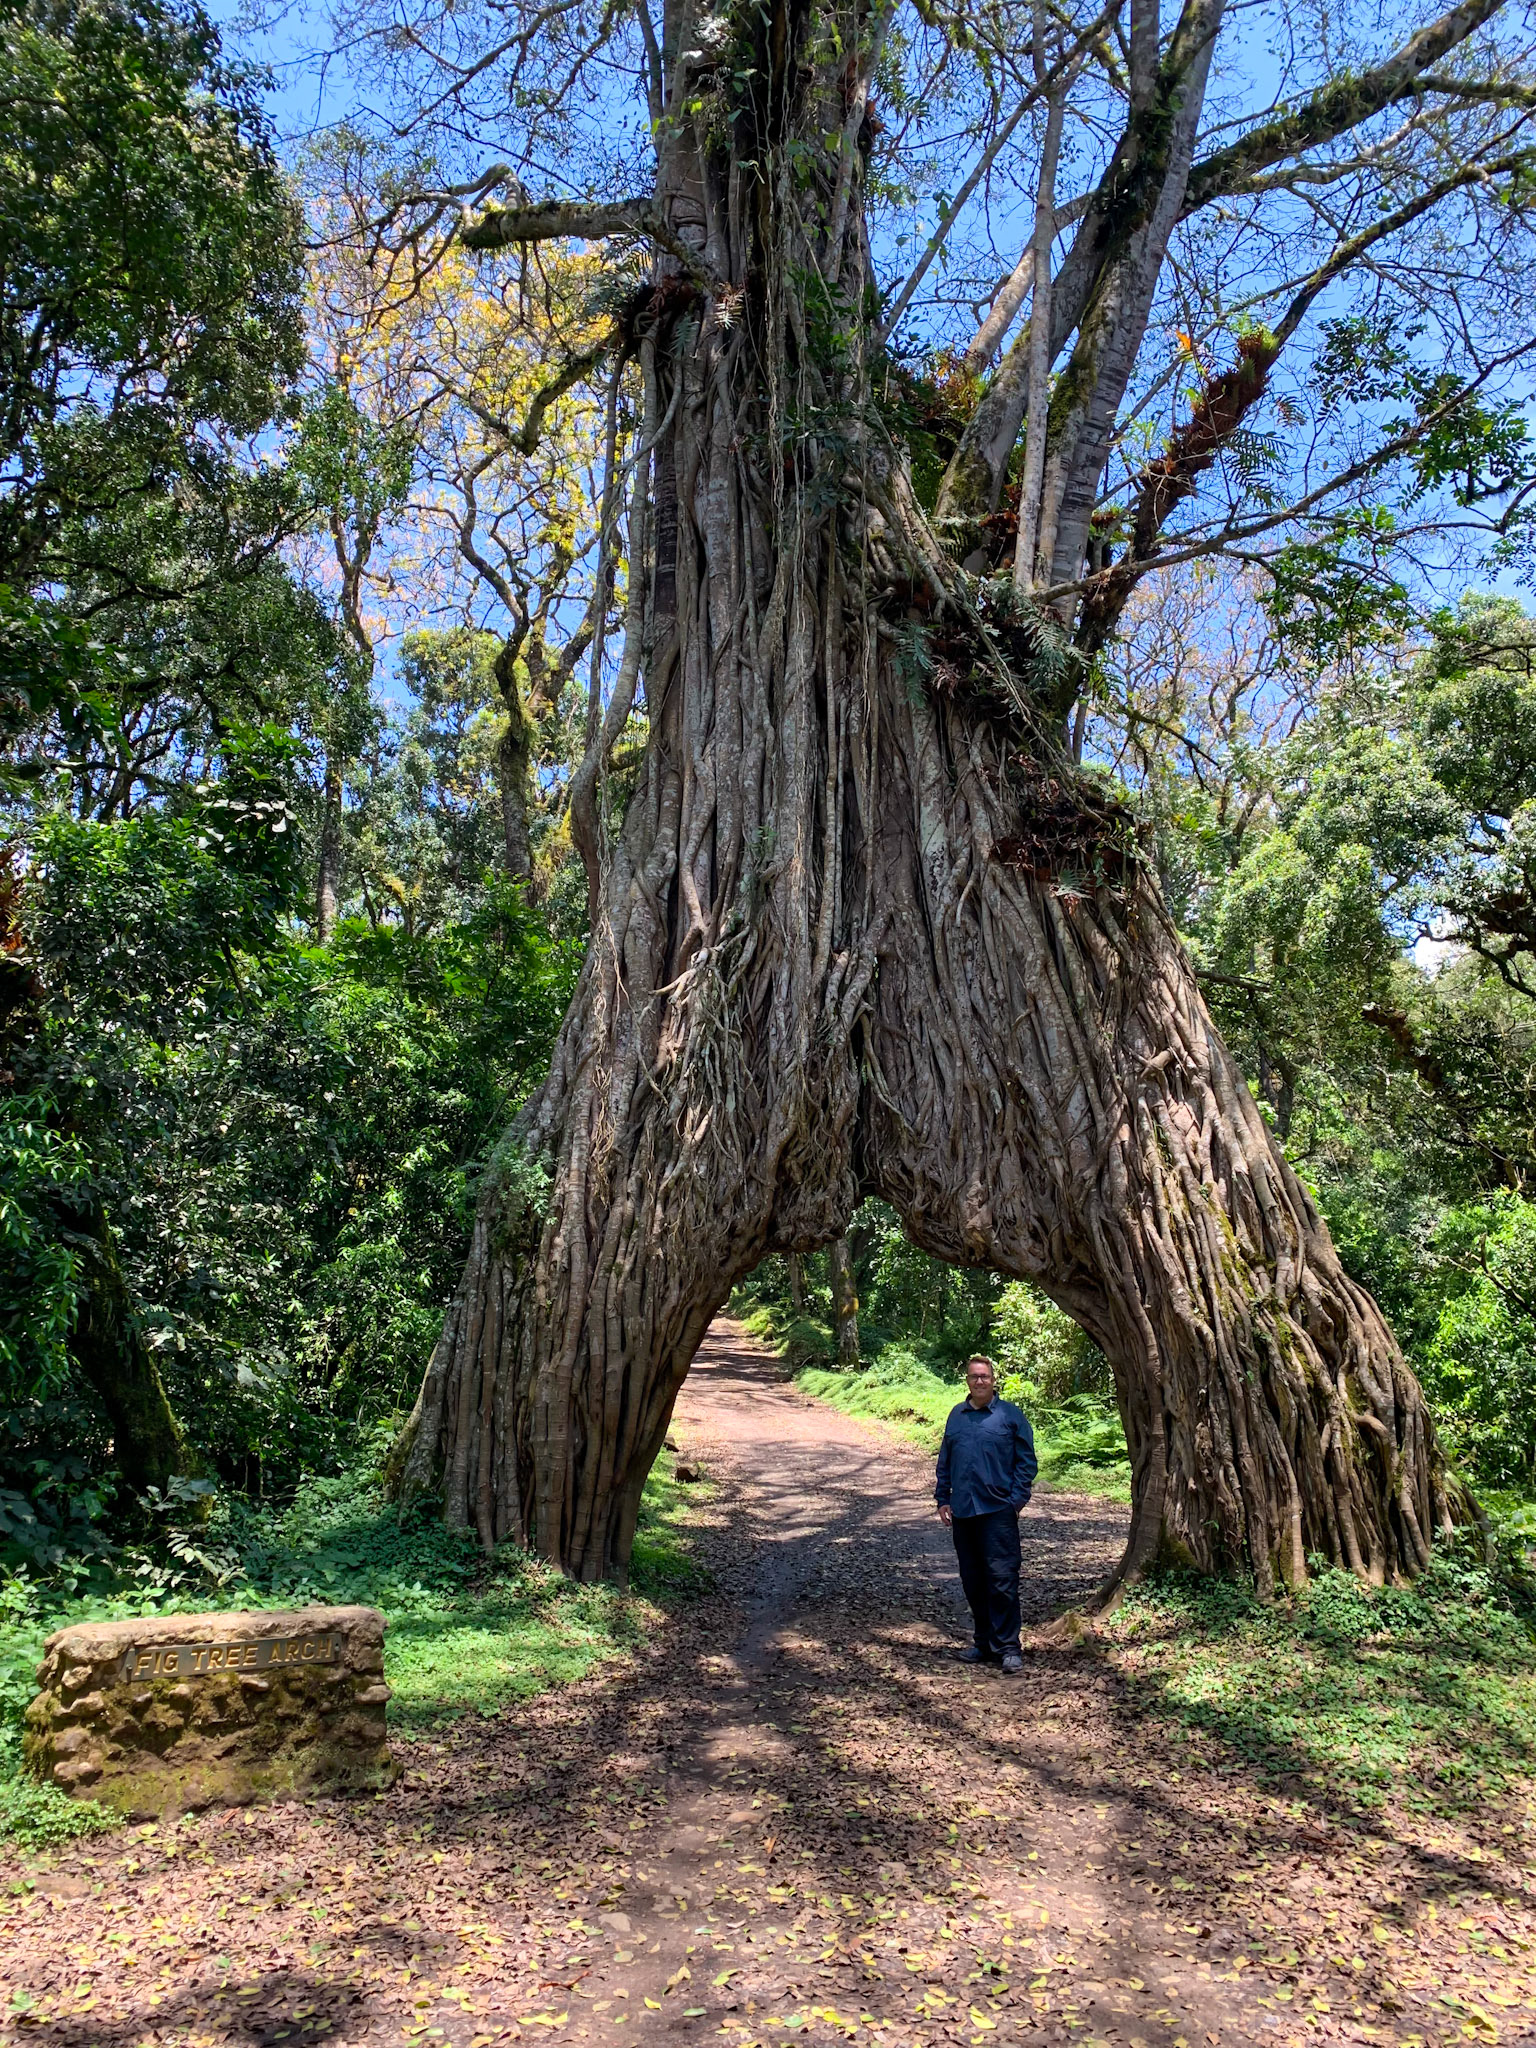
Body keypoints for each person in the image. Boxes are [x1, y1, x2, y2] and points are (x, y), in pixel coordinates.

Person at [935, 1355, 1038, 1674]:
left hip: (998, 1513)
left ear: (993, 1380)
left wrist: (1016, 1501)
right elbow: (945, 1460)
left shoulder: (1010, 1416)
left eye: (984, 1376)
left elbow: (1027, 1462)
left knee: (1002, 1580)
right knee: (973, 1580)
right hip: (964, 1512)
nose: (979, 1381)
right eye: (973, 1376)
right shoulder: (957, 1416)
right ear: (967, 1380)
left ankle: (1009, 1648)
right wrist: (943, 1497)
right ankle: (983, 1643)